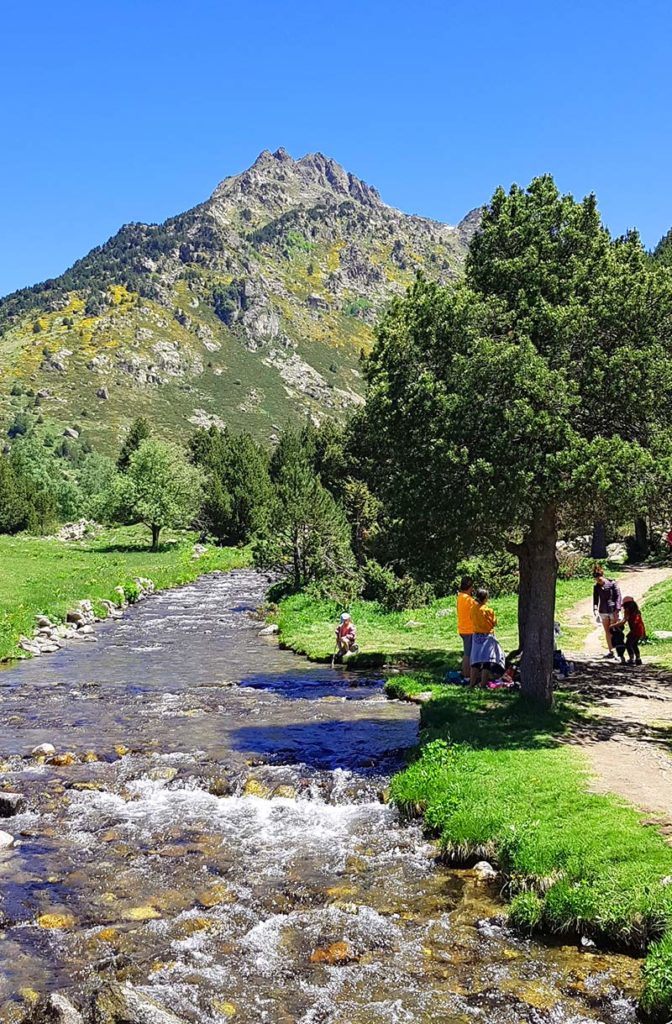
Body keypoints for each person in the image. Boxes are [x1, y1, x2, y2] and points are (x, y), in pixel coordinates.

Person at [470, 588, 505, 686]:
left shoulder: (473, 609)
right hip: (487, 637)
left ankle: (471, 684)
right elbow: (494, 623)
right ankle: (483, 684)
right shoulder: (488, 610)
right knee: (487, 661)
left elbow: (471, 619)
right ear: (485, 598)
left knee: (475, 661)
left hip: (476, 636)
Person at [592, 575, 622, 658]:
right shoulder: (596, 587)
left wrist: (618, 608)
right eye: (596, 580)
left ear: (602, 577)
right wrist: (595, 608)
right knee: (607, 631)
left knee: (614, 631)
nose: (598, 581)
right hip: (603, 610)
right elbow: (595, 599)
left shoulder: (612, 583)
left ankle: (617, 650)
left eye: (600, 579)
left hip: (613, 610)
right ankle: (611, 650)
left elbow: (618, 596)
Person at [456, 576, 476, 681]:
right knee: (468, 654)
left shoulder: (460, 597)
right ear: (470, 586)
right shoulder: (469, 600)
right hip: (469, 630)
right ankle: (467, 675)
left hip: (462, 629)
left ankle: (465, 672)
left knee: (467, 652)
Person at [620, 596, 646, 666]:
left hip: (634, 630)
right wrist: (644, 633)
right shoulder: (637, 611)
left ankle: (631, 659)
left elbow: (623, 621)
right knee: (634, 645)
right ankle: (638, 659)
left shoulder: (627, 611)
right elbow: (641, 623)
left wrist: (613, 625)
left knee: (628, 644)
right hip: (639, 630)